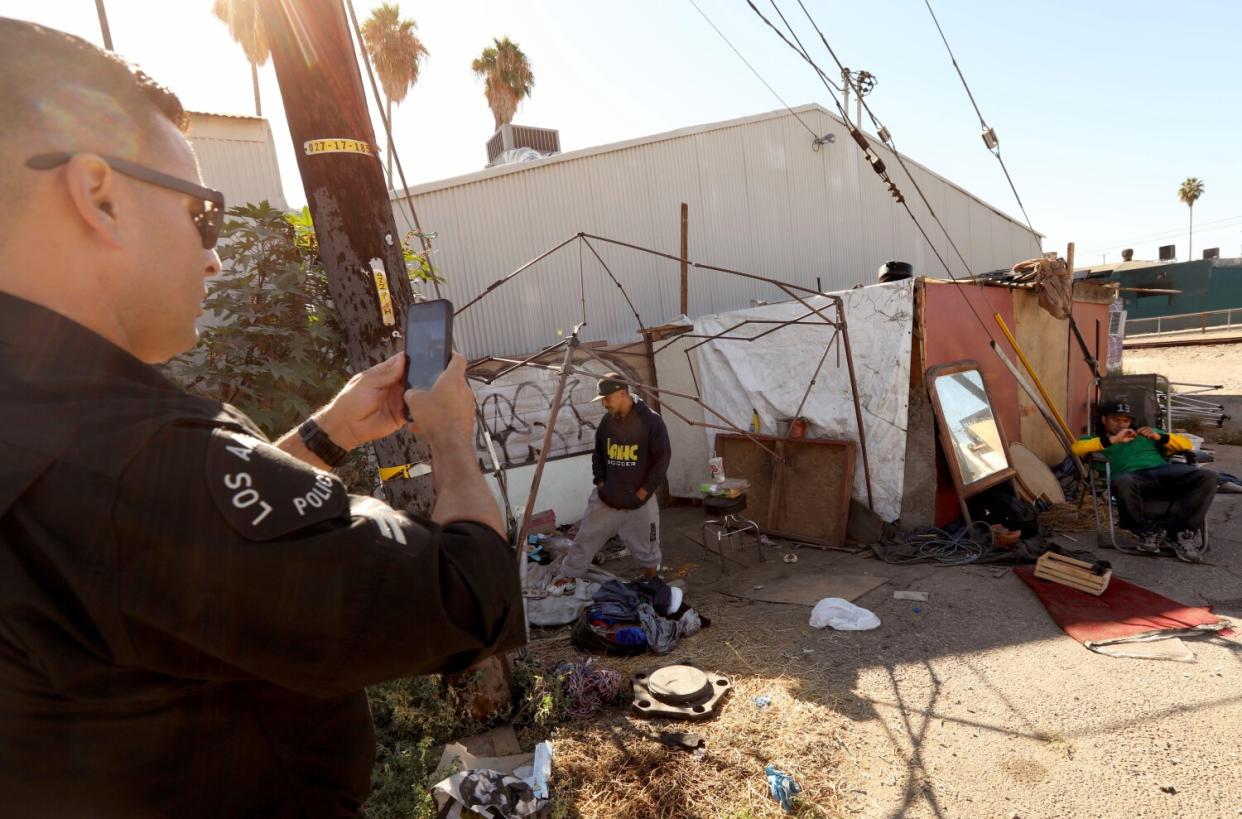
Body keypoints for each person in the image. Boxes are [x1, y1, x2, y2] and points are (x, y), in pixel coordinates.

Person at [0, 19, 523, 816]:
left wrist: (327, 433)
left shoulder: (48, 429)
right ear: (98, 195)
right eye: (202, 214)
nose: (212, 254)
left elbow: (185, 560)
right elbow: (469, 596)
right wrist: (451, 435)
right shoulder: (134, 460)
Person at [551, 373, 671, 591]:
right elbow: (598, 454)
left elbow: (661, 461)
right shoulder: (607, 422)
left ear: (623, 393)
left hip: (639, 500)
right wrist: (601, 483)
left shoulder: (651, 421)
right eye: (602, 399)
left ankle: (653, 582)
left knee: (648, 543)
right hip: (607, 498)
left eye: (607, 398)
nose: (604, 404)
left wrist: (643, 493)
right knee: (585, 537)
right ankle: (567, 577)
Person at [1071, 400, 1216, 561]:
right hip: (1131, 476)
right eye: (1115, 419)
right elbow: (1076, 448)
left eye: (1125, 420)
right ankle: (1146, 531)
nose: (1121, 424)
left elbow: (1186, 444)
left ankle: (1181, 533)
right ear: (1104, 419)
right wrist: (1114, 440)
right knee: (1124, 481)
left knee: (1208, 476)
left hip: (1162, 471)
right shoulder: (1097, 440)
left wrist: (1158, 437)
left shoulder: (1146, 434)